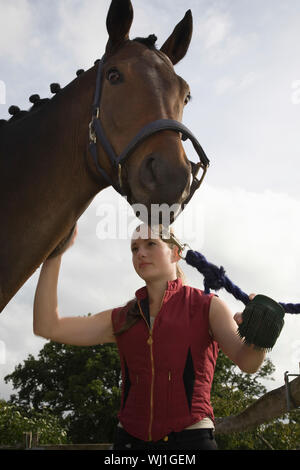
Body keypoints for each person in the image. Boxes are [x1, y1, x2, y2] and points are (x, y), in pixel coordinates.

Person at [33, 223, 266, 450]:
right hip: (129, 441)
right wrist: (54, 254)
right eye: (134, 248)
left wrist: (262, 333)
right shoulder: (123, 317)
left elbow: (248, 362)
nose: (140, 253)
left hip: (191, 439)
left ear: (175, 253)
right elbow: (47, 326)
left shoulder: (208, 307)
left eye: (150, 244)